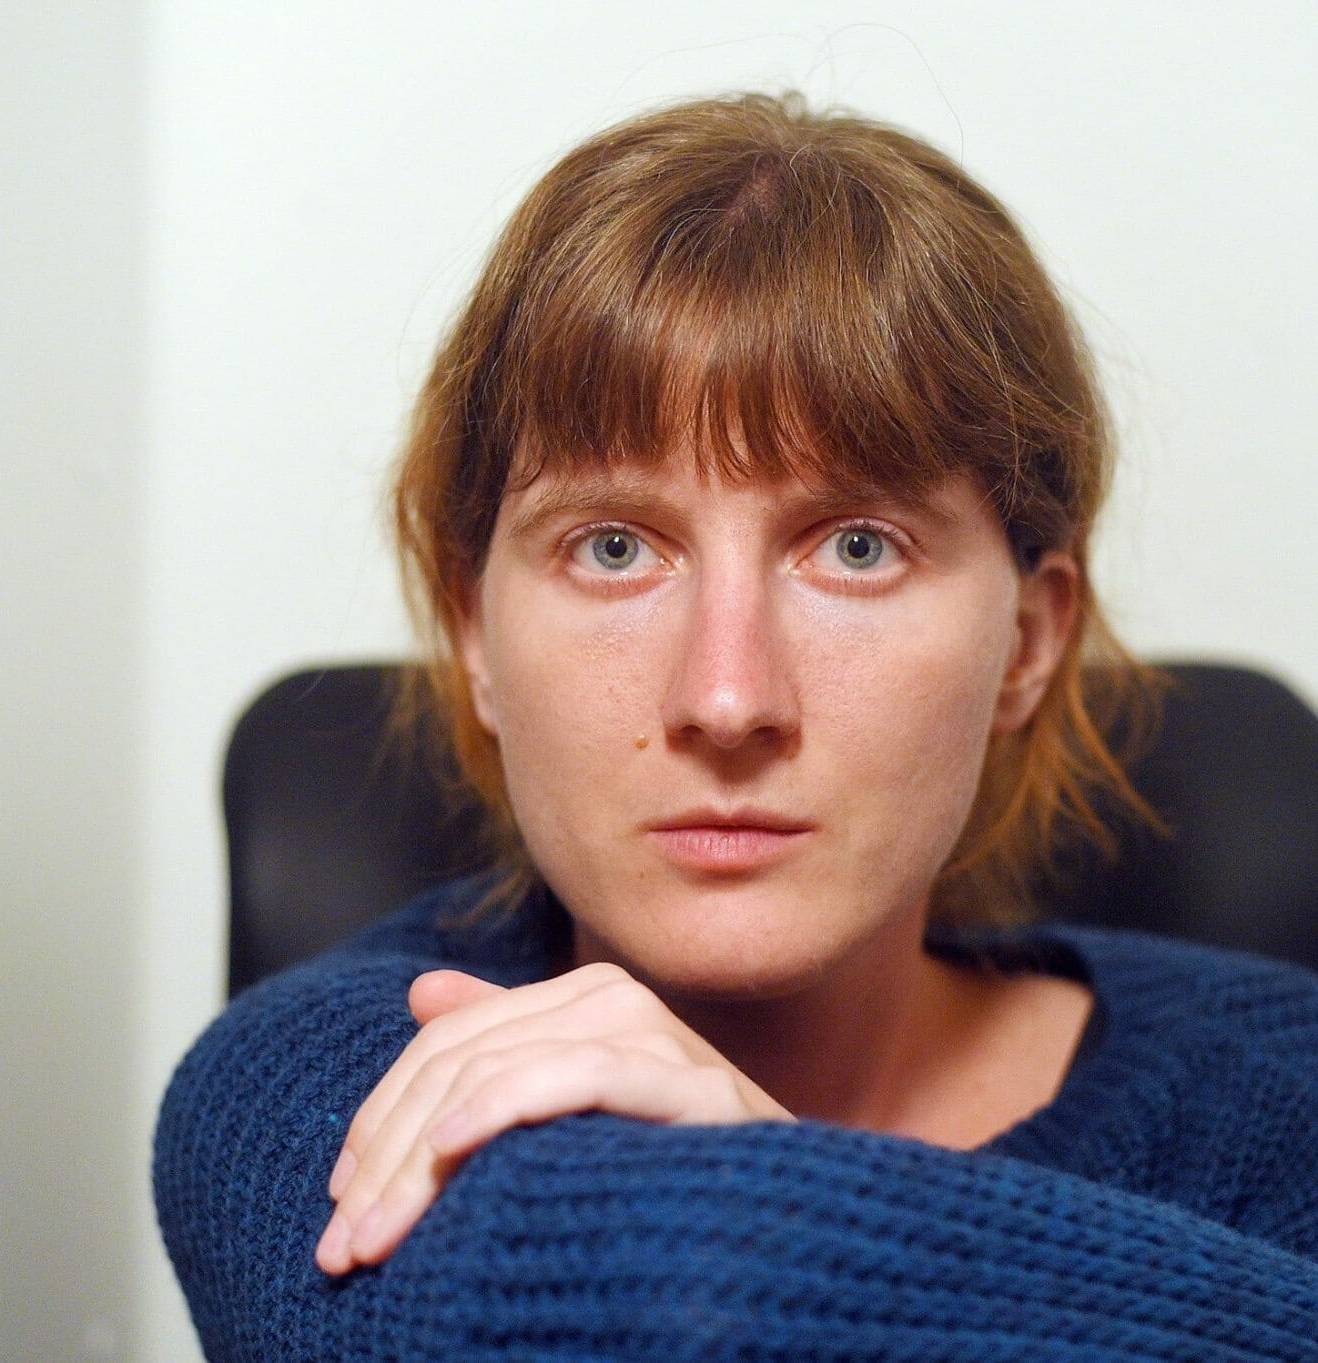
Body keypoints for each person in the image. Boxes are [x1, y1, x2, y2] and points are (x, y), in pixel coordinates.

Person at [154, 93, 1318, 1359]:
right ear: (475, 635)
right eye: (613, 548)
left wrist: (777, 1199)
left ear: (1028, 646)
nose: (726, 700)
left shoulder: (1288, 1079)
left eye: (858, 548)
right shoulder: (306, 1088)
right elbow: (638, 1304)